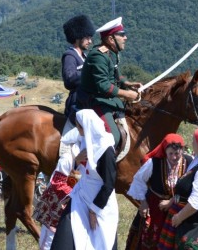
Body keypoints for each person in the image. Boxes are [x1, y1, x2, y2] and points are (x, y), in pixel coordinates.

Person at [51, 109, 118, 250]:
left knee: (100, 242)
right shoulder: (84, 143)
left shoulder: (106, 150)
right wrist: (76, 162)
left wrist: (94, 211)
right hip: (79, 199)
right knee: (65, 239)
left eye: (78, 126)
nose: (77, 129)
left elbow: (109, 185)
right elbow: (75, 177)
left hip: (100, 205)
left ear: (86, 126)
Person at [77, 17, 141, 147]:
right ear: (111, 39)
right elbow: (103, 85)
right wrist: (127, 94)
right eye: (122, 35)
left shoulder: (110, 53)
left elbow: (114, 74)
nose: (125, 38)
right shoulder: (98, 56)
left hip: (107, 99)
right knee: (113, 138)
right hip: (95, 101)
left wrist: (127, 83)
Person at [125, 134, 193, 250]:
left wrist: (172, 202)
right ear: (165, 151)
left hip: (177, 208)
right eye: (170, 153)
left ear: (182, 150)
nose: (174, 157)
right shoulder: (154, 163)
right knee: (150, 240)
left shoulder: (188, 162)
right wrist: (143, 202)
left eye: (177, 153)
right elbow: (138, 180)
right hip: (155, 207)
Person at [34, 130, 86, 250]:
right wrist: (76, 166)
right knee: (50, 242)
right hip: (58, 210)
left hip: (77, 209)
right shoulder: (68, 159)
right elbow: (58, 185)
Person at [61, 15, 96, 124]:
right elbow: (69, 79)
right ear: (78, 37)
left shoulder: (84, 56)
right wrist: (90, 73)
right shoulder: (70, 56)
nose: (90, 41)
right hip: (76, 103)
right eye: (87, 38)